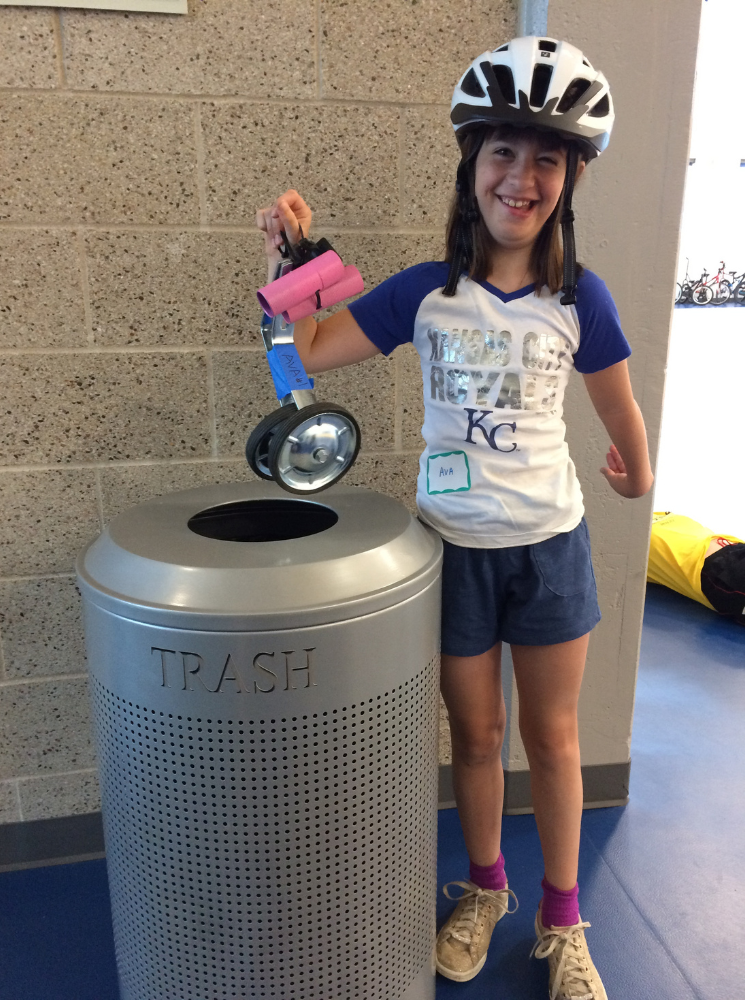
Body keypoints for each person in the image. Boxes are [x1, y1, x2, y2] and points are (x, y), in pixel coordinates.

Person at [256, 35, 654, 1000]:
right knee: (475, 739)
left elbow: (615, 403)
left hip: (549, 549)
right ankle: (486, 891)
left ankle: (564, 924)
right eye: (502, 153)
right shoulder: (423, 295)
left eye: (546, 158)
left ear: (572, 175)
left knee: (552, 742)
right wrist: (291, 262)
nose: (521, 178)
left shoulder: (577, 299)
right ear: (472, 164)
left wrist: (636, 474)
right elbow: (304, 351)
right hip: (453, 553)